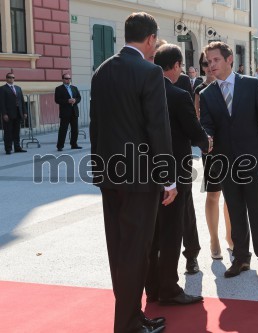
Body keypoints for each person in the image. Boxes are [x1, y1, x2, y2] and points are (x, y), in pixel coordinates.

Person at [89, 12, 175, 333]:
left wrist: (100, 172)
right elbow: (158, 129)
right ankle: (127, 324)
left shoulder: (101, 71)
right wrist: (168, 177)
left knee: (119, 251)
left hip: (109, 177)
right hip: (141, 179)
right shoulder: (150, 72)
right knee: (136, 253)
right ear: (151, 39)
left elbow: (95, 126)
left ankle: (131, 316)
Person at [200, 41, 258, 280]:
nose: (211, 65)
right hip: (224, 162)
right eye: (208, 62)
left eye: (216, 60)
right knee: (235, 210)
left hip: (253, 158)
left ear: (229, 59)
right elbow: (207, 125)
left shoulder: (251, 85)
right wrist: (207, 137)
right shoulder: (206, 94)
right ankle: (241, 258)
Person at [145, 43, 209, 305]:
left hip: (148, 171)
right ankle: (170, 289)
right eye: (180, 66)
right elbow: (195, 132)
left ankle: (152, 288)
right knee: (172, 232)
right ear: (175, 66)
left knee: (152, 234)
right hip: (175, 172)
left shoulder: (143, 92)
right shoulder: (178, 95)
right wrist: (207, 142)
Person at [194, 52, 233, 259]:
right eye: (205, 63)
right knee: (213, 194)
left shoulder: (230, 85)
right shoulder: (201, 90)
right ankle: (214, 239)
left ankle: (230, 236)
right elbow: (197, 119)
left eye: (212, 62)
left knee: (231, 196)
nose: (209, 66)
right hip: (211, 149)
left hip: (232, 149)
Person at [1, 73, 27, 154]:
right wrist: (4, 114)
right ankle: (8, 149)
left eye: (13, 77)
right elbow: (1, 102)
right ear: (6, 78)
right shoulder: (2, 89)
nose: (11, 79)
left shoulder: (18, 88)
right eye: (9, 77)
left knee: (16, 131)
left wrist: (24, 112)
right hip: (8, 114)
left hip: (18, 113)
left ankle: (17, 147)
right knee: (8, 132)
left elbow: (22, 101)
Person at [55, 74, 82, 151]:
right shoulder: (59, 89)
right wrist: (67, 101)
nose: (68, 80)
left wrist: (75, 100)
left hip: (74, 111)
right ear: (63, 79)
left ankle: (74, 144)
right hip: (65, 112)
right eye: (66, 78)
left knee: (75, 129)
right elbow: (57, 100)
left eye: (69, 78)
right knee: (63, 129)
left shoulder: (74, 88)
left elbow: (79, 97)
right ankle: (60, 146)